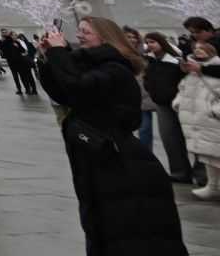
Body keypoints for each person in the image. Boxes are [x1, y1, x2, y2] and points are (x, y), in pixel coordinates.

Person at [36, 16, 187, 254]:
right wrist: (47, 59)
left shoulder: (115, 68)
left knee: (131, 230)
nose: (79, 35)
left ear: (106, 36)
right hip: (97, 155)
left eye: (86, 31)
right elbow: (65, 93)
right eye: (79, 31)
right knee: (107, 226)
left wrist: (59, 53)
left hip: (118, 160)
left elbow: (77, 86)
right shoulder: (95, 66)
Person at [143, 32, 193, 182]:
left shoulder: (176, 60)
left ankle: (201, 175)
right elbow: (146, 77)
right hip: (162, 103)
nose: (150, 45)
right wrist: (149, 87)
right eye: (148, 42)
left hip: (180, 102)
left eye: (153, 42)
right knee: (170, 139)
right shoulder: (149, 59)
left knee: (191, 137)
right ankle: (180, 173)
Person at [178, 40, 220, 200]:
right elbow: (183, 88)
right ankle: (212, 186)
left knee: (216, 153)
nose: (198, 50)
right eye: (195, 48)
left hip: (213, 119)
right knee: (207, 154)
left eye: (202, 48)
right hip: (198, 119)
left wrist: (215, 110)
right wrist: (179, 102)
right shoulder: (192, 68)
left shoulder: (215, 67)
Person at [0, 29, 37, 95]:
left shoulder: (16, 42)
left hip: (20, 62)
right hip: (11, 62)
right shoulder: (3, 42)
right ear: (1, 34)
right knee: (15, 76)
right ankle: (19, 89)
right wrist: (0, 41)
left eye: (6, 32)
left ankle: (27, 89)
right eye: (3, 33)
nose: (4, 33)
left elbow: (23, 50)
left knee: (23, 76)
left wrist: (18, 46)